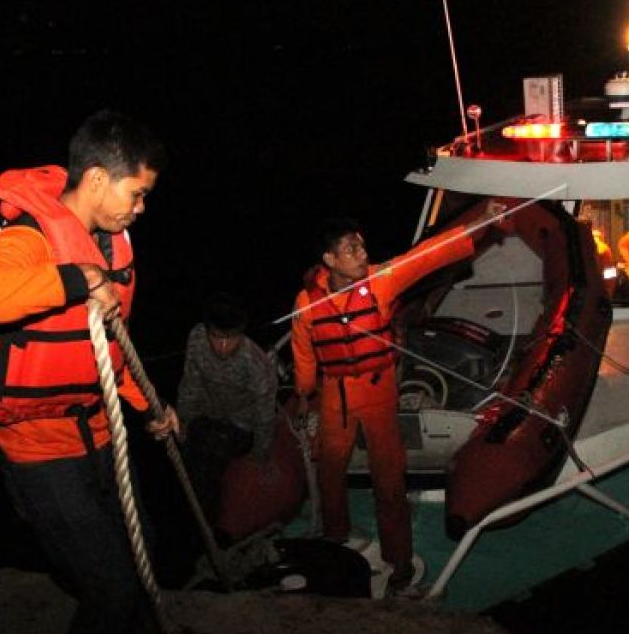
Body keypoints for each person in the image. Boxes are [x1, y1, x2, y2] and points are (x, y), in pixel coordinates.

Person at [0, 110, 214, 634]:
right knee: (108, 583)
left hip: (97, 425)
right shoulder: (29, 235)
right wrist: (78, 278)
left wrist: (150, 406)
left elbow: (105, 349)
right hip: (37, 443)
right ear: (97, 179)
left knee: (145, 547)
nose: (141, 209)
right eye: (137, 193)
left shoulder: (111, 238)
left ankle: (146, 633)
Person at [290, 202, 509, 594]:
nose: (362, 253)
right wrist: (304, 393)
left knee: (389, 479)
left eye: (362, 245)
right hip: (334, 394)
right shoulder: (307, 303)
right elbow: (304, 354)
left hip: (377, 391)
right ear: (329, 260)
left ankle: (400, 561)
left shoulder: (381, 281)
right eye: (351, 249)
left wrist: (479, 222)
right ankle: (337, 533)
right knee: (330, 469)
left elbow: (427, 255)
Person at [176, 292, 278, 527]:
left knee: (209, 457)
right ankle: (193, 520)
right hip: (206, 416)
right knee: (190, 450)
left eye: (230, 338)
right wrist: (184, 421)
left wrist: (261, 455)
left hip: (239, 425)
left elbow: (264, 413)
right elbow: (190, 382)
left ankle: (211, 526)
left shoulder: (255, 362)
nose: (222, 346)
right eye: (216, 337)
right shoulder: (197, 338)